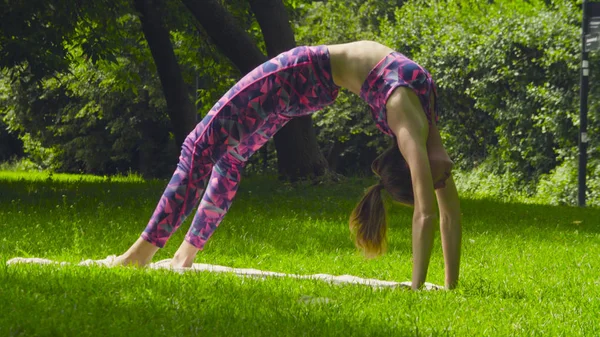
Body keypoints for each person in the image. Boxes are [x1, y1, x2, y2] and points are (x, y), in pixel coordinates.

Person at [114, 40, 461, 290]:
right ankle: (182, 257)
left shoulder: (412, 125)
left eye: (433, 181)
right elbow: (439, 214)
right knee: (228, 159)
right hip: (304, 81)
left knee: (198, 147)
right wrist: (441, 286)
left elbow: (434, 214)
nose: (444, 182)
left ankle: (138, 256)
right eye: (437, 181)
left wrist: (430, 287)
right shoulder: (420, 119)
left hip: (298, 77)